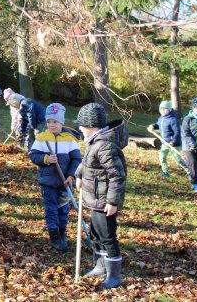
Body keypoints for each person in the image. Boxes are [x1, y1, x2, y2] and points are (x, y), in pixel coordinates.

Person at [75, 103, 128, 289]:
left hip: (104, 201)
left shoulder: (104, 145)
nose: (79, 128)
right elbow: (87, 162)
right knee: (96, 234)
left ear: (90, 126)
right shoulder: (94, 142)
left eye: (81, 125)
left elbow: (117, 174)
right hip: (94, 199)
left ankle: (114, 275)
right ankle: (100, 266)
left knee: (107, 237)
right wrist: (79, 174)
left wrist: (113, 201)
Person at [29, 103, 82, 252]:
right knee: (51, 209)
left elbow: (77, 159)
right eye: (49, 122)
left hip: (65, 182)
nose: (52, 125)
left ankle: (62, 233)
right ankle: (55, 237)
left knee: (63, 209)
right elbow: (33, 155)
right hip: (48, 182)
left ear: (62, 122)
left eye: (55, 122)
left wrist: (71, 175)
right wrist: (46, 159)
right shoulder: (42, 138)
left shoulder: (70, 139)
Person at [147, 101, 191, 180]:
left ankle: (190, 172)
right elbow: (158, 124)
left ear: (169, 109)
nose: (162, 111)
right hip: (164, 143)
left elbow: (177, 132)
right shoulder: (161, 118)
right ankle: (165, 172)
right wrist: (152, 126)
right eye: (161, 109)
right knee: (162, 157)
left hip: (174, 144)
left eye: (165, 109)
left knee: (178, 159)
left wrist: (173, 142)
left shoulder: (173, 120)